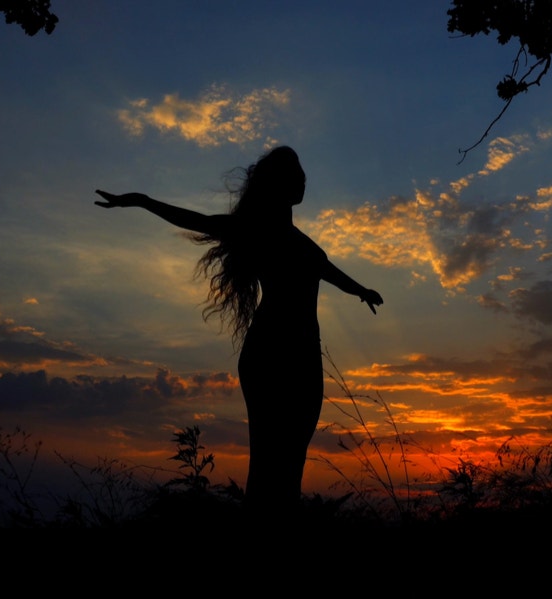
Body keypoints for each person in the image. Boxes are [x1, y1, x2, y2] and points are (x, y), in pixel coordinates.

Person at [95, 146, 382, 519]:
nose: (302, 183)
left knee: (293, 456)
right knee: (267, 458)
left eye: (302, 176)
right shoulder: (252, 230)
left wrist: (360, 290)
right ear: (280, 185)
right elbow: (194, 219)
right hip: (269, 354)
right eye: (295, 177)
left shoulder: (304, 244)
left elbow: (329, 273)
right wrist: (143, 201)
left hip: (306, 356)